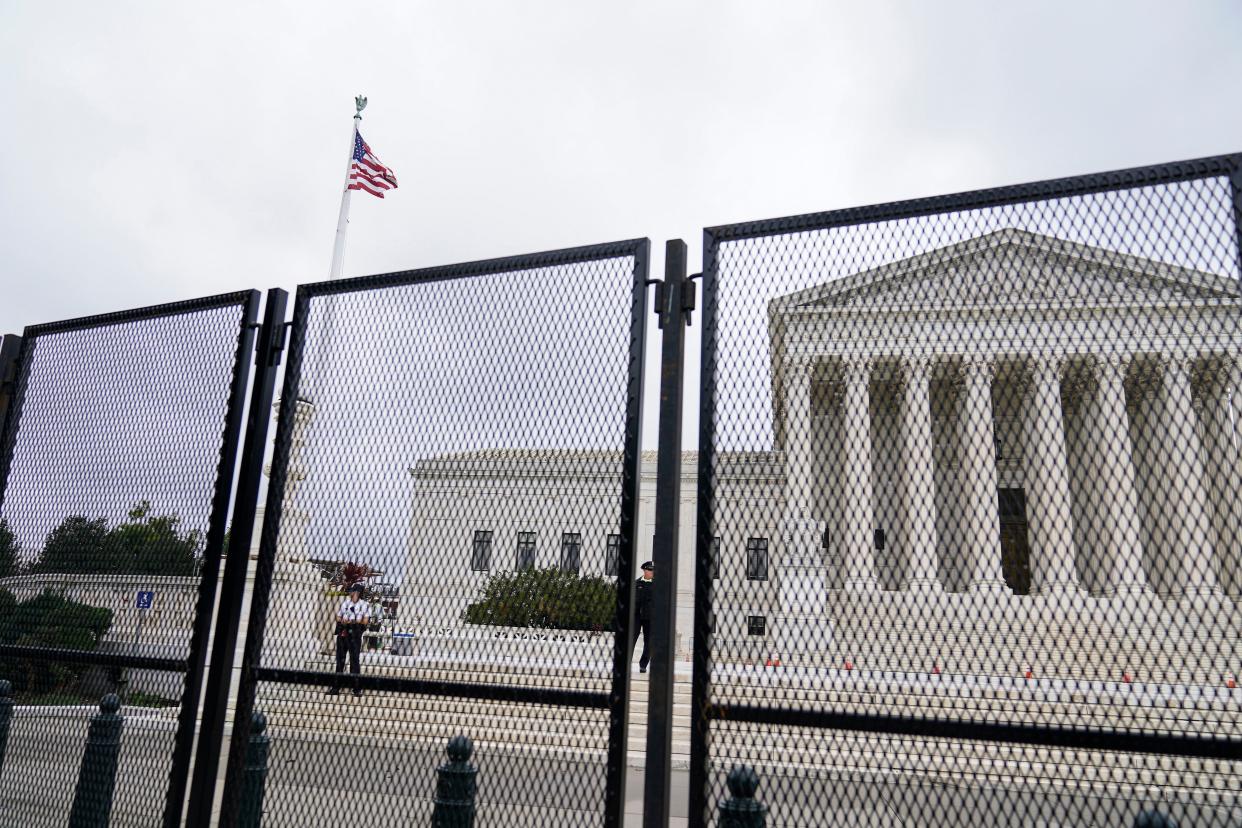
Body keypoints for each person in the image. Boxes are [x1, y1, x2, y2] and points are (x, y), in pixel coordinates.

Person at [328, 582, 369, 697]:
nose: (350, 592)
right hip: (343, 631)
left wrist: (354, 621)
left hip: (355, 633)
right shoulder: (345, 603)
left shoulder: (364, 605)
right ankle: (336, 687)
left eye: (352, 591)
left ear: (357, 592)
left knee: (354, 661)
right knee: (340, 660)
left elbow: (365, 621)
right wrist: (341, 620)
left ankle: (356, 688)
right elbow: (338, 616)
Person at [633, 561, 653, 673]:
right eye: (650, 570)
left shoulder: (657, 584)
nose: (652, 572)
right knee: (631, 639)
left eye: (653, 570)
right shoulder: (636, 583)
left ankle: (643, 665)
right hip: (636, 616)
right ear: (645, 571)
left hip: (650, 617)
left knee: (649, 642)